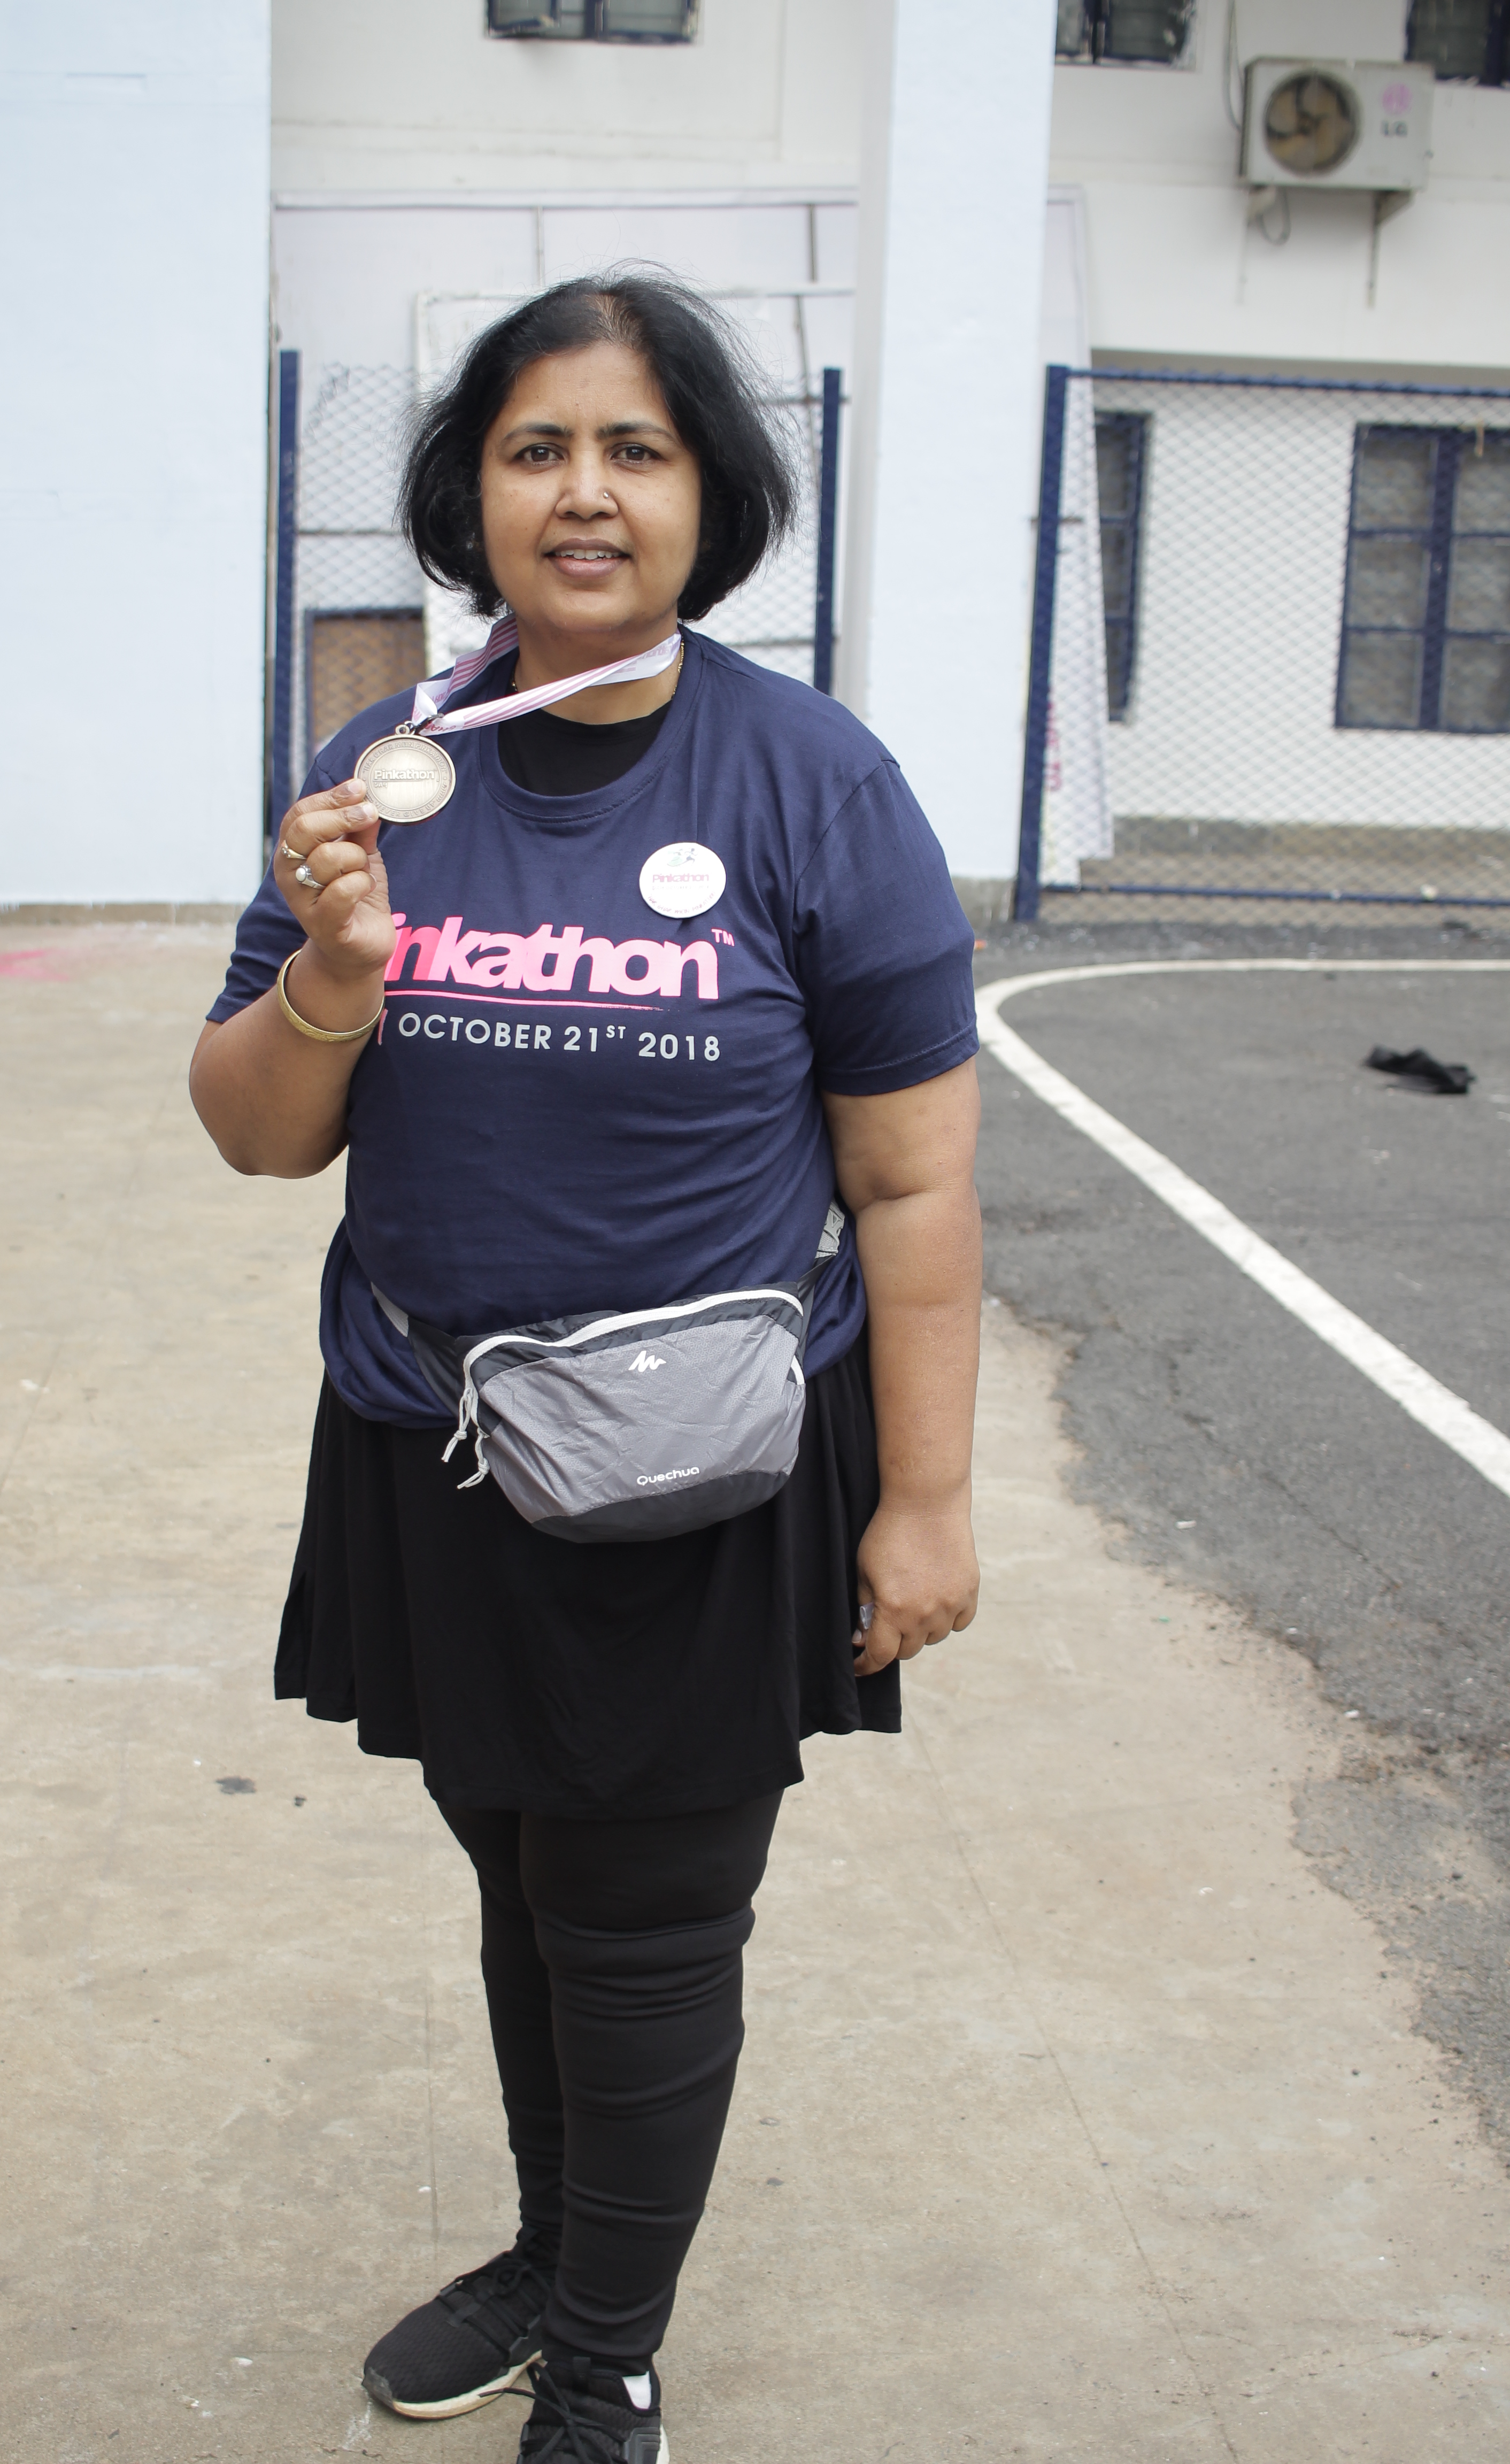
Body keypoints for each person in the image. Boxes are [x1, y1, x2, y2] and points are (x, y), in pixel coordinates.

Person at [190, 273, 982, 2463]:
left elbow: (913, 1182)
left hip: (699, 1473)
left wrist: (927, 1500)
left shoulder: (814, 782)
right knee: (523, 1875)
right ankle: (564, 2257)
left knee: (640, 1923)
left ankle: (608, 2367)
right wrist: (335, 973)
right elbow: (258, 1134)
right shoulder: (387, 771)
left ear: (711, 496)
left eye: (637, 447)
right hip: (435, 1444)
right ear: (473, 493)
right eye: (538, 447)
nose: (585, 491)